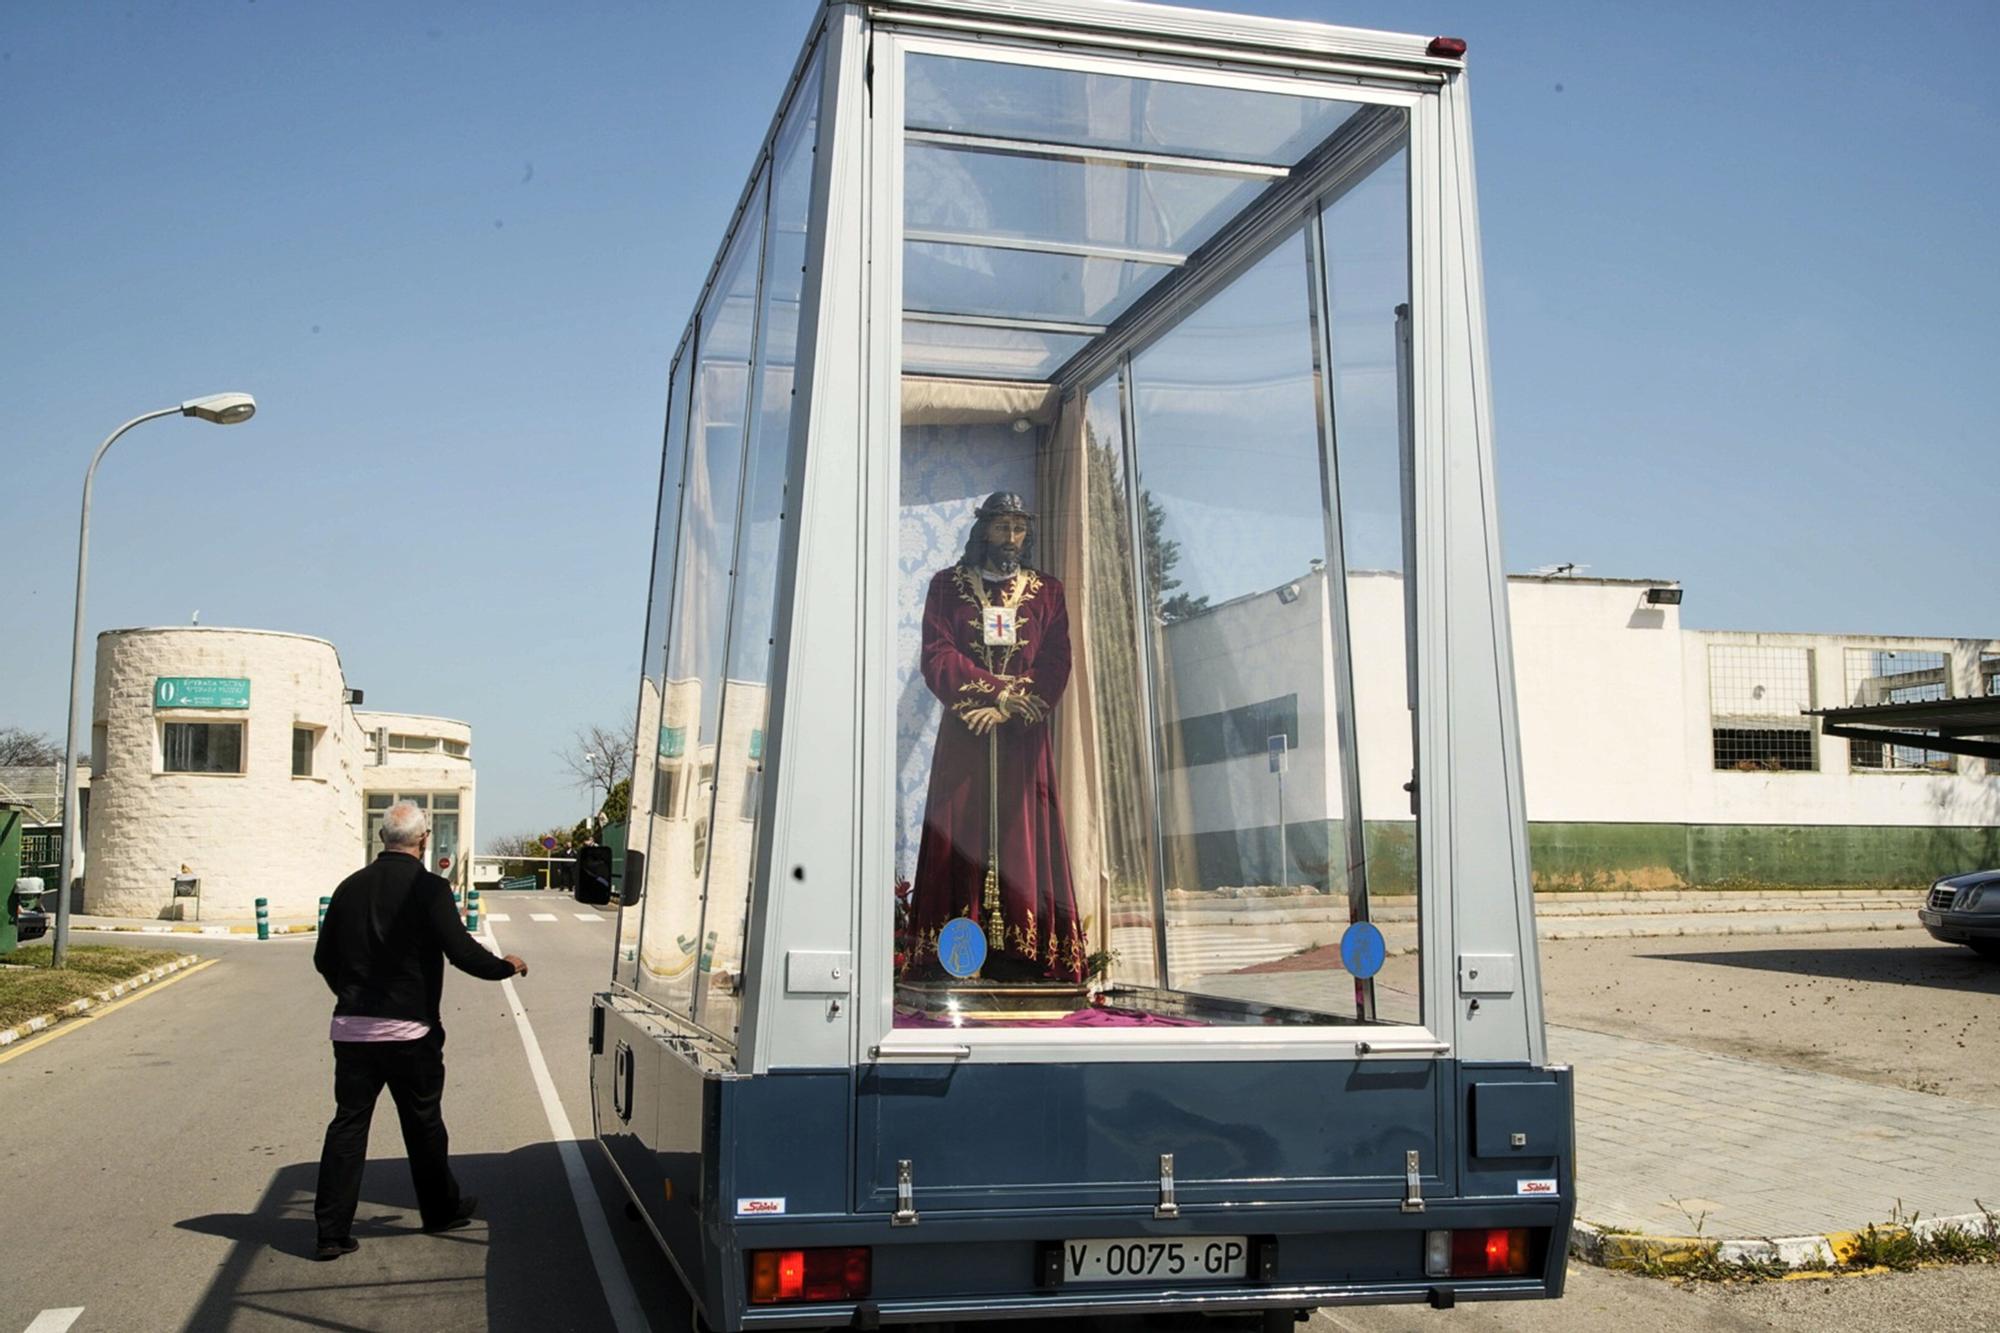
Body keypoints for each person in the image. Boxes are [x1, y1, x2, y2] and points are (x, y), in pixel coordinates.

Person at [311, 800, 526, 1260]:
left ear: (382, 839)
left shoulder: (349, 887)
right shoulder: (429, 888)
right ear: (424, 840)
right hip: (411, 1033)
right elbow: (460, 950)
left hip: (352, 1031)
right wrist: (504, 967)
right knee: (424, 1124)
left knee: (347, 1127)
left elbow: (323, 959)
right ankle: (440, 1211)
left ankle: (330, 1232)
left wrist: (350, 995)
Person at [907, 492, 1086, 983]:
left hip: (1022, 738)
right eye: (1002, 527)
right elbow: (937, 653)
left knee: (1021, 833)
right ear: (982, 529)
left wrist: (1009, 707)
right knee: (958, 831)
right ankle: (954, 958)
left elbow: (1056, 661)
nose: (1011, 538)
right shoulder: (946, 587)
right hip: (966, 731)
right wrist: (992, 696)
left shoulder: (1047, 591)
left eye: (1019, 529)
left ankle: (1025, 956)